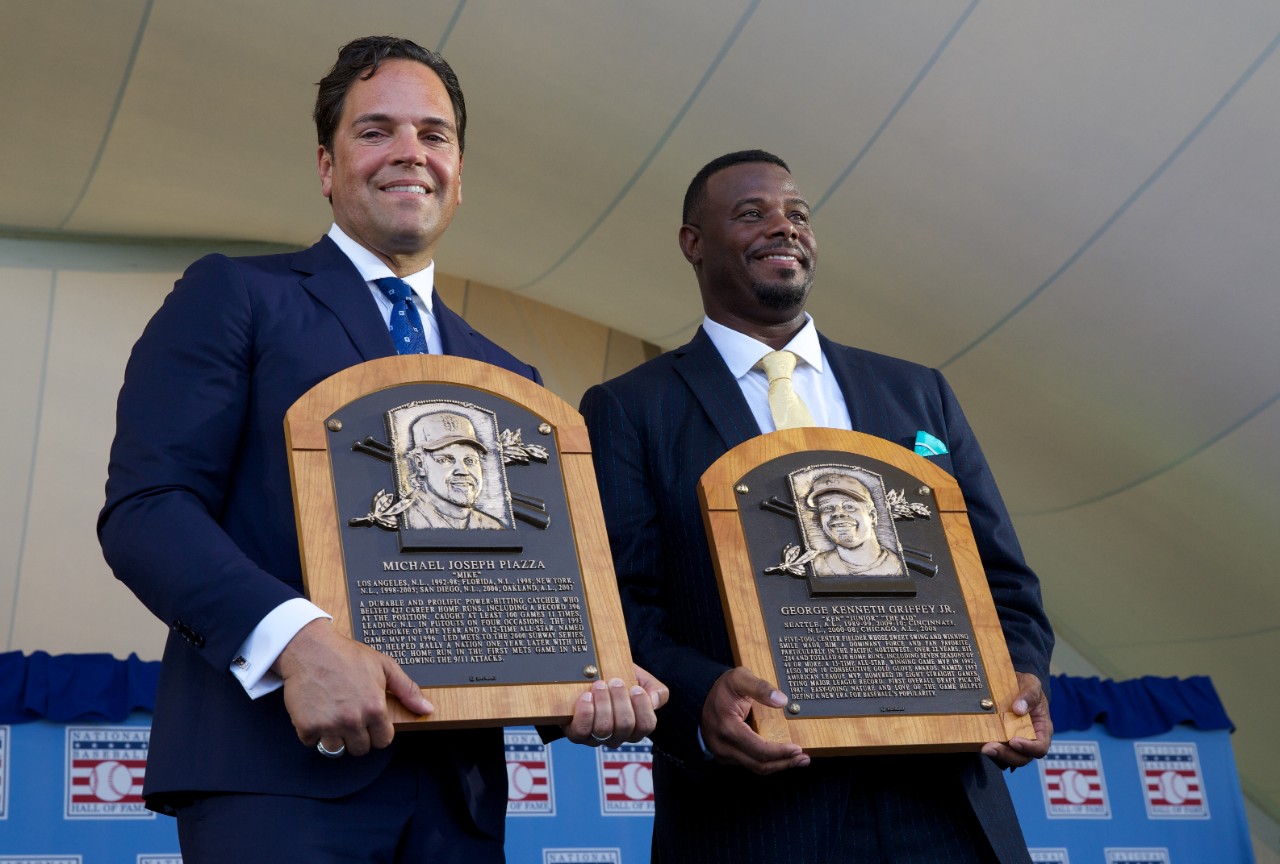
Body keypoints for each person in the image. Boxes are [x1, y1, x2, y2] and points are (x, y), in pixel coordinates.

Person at [98, 36, 663, 864]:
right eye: (376, 131)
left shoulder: (511, 380)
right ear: (326, 167)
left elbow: (519, 577)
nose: (410, 152)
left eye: (434, 135)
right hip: (276, 780)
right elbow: (147, 511)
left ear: (459, 173)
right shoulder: (236, 296)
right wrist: (298, 642)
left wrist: (589, 677)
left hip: (459, 799)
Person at [580, 150, 1054, 863]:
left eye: (797, 214)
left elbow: (1004, 581)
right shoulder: (631, 408)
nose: (784, 227)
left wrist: (1017, 673)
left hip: (948, 803)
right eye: (752, 214)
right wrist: (702, 698)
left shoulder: (917, 393)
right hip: (758, 818)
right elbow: (620, 606)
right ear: (693, 242)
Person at [404, 411, 504, 529]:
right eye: (445, 460)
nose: (463, 471)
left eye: (470, 460)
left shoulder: (491, 527)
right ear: (420, 464)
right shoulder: (406, 519)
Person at [806, 472, 905, 577]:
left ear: (872, 516)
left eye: (849, 506)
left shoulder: (898, 566)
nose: (837, 513)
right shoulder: (817, 566)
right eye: (827, 508)